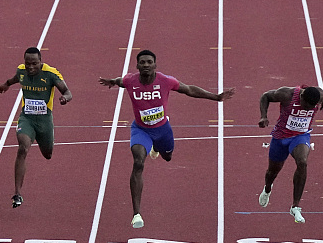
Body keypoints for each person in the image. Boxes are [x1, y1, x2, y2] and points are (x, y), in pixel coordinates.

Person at [99, 50, 234, 228]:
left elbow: (189, 89)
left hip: (162, 130)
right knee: (138, 162)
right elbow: (120, 81)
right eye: (142, 62)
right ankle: (136, 214)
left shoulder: (165, 81)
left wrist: (216, 97)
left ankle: (156, 148)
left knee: (168, 156)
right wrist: (112, 81)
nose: (146, 65)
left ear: (155, 65)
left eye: (149, 62)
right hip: (141, 130)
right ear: (137, 65)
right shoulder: (130, 80)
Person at [0, 47, 72, 208]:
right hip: (27, 118)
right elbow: (14, 79)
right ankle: (17, 193)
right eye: (28, 63)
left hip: (44, 120)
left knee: (48, 154)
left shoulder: (51, 74)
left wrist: (65, 98)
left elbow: (67, 91)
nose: (30, 67)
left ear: (41, 62)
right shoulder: (21, 71)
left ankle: (41, 137)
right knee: (22, 148)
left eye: (34, 64)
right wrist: (5, 85)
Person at [257, 85, 323, 223]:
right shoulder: (286, 94)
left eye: (311, 108)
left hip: (300, 136)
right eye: (305, 106)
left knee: (302, 162)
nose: (307, 109)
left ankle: (295, 206)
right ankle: (267, 189)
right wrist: (263, 116)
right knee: (272, 172)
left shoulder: (320, 96)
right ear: (301, 97)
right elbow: (265, 96)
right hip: (280, 137)